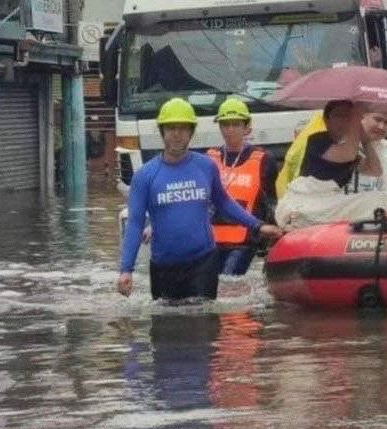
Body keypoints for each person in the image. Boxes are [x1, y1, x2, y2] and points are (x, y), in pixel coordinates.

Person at [117, 97, 282, 300]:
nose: (177, 135)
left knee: (204, 322)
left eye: (183, 129)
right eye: (171, 129)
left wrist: (258, 226)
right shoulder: (144, 176)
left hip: (203, 262)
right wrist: (126, 269)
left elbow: (224, 202)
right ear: (162, 132)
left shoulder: (205, 166)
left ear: (191, 132)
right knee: (166, 325)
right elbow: (135, 223)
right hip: (163, 266)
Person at [274, 101, 387, 228]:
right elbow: (346, 155)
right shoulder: (318, 139)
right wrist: (357, 125)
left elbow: (375, 170)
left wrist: (366, 140)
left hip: (330, 201)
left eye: (349, 117)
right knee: (377, 201)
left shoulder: (352, 145)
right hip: (305, 203)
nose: (345, 121)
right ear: (326, 120)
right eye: (340, 116)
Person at [207, 97, 278, 276]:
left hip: (244, 240)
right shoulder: (210, 158)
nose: (229, 130)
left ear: (247, 128)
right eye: (225, 124)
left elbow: (271, 200)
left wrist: (271, 233)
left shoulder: (263, 159)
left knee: (228, 281)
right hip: (211, 239)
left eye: (235, 124)